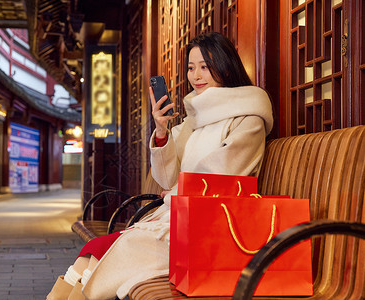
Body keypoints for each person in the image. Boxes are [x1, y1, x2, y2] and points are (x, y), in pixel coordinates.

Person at [46, 31, 273, 300]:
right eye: (191, 68)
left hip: (214, 229)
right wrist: (162, 130)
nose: (196, 76)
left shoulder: (248, 118)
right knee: (91, 256)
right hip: (177, 220)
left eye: (205, 67)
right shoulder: (194, 122)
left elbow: (222, 174)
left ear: (225, 66)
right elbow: (166, 179)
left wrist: (176, 193)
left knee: (99, 260)